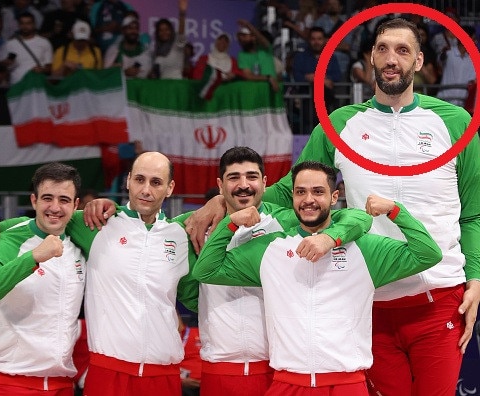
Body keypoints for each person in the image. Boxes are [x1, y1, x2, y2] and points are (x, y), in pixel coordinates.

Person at [184, 17, 480, 396]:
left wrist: (475, 279)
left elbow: (472, 213)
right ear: (371, 56)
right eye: (384, 49)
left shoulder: (455, 122)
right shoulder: (340, 125)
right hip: (368, 302)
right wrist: (220, 200)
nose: (392, 59)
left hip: (440, 298)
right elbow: (287, 191)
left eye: (403, 50)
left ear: (419, 61)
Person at [193, 160, 442, 396]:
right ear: (292, 197)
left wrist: (396, 211)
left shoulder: (364, 248)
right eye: (300, 192)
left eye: (318, 192)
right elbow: (207, 270)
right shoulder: (270, 248)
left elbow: (427, 254)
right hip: (287, 383)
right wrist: (230, 224)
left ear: (334, 197)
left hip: (347, 384)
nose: (308, 200)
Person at [0, 152, 199, 396]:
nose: (146, 190)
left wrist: (216, 204)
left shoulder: (180, 235)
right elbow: (49, 217)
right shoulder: (98, 223)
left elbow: (193, 297)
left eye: (156, 182)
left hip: (163, 375)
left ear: (170, 188)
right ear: (128, 181)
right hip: (108, 372)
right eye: (139, 179)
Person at [196, 147, 372, 396]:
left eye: (252, 177)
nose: (243, 185)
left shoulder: (287, 219)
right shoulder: (197, 223)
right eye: (233, 177)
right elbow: (191, 281)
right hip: (219, 368)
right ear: (220, 184)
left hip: (276, 367)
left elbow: (357, 218)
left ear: (265, 182)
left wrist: (331, 237)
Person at [0, 162, 86, 396]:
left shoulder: (78, 242)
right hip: (10, 381)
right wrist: (32, 258)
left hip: (61, 383)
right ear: (34, 201)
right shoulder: (6, 241)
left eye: (63, 200)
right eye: (47, 198)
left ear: (76, 205)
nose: (54, 207)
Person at [292, 26, 342, 130]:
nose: (316, 42)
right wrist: (320, 80)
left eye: (319, 39)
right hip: (306, 102)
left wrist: (318, 78)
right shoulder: (301, 57)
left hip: (327, 102)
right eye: (313, 39)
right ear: (309, 40)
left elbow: (337, 76)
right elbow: (297, 76)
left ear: (324, 40)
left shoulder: (331, 57)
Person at [1, 12, 53, 85]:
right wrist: (5, 64)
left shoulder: (44, 42)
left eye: (28, 23)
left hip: (36, 85)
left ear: (34, 25)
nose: (25, 26)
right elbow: (3, 68)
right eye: (22, 23)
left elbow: (49, 67)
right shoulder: (10, 44)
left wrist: (41, 70)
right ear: (18, 25)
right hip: (16, 85)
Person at [436, 25, 476, 107]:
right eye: (473, 39)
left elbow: (473, 81)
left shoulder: (473, 60)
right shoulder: (448, 53)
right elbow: (439, 62)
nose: (476, 42)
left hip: (462, 104)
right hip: (444, 101)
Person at [235, 19, 279, 92]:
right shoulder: (242, 55)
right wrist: (268, 78)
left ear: (253, 37)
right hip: (255, 92)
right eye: (240, 37)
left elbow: (262, 39)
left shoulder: (265, 49)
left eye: (244, 36)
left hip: (272, 91)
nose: (241, 39)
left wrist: (248, 26)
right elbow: (248, 75)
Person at [148, 0, 188, 80]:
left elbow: (181, 33)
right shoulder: (157, 51)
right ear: (157, 33)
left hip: (177, 86)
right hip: (162, 87)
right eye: (161, 30)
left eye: (167, 29)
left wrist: (182, 14)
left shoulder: (177, 45)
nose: (164, 32)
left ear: (171, 31)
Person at [178, 313, 202, 396]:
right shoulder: (183, 333)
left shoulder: (217, 335)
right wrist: (181, 381)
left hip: (211, 384)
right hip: (186, 387)